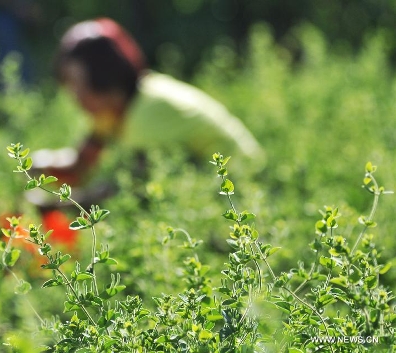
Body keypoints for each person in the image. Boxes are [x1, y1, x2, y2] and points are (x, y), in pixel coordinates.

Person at [28, 17, 265, 249]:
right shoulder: (116, 109)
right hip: (209, 191)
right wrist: (37, 165)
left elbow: (129, 192)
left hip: (243, 197)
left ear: (105, 76)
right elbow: (80, 164)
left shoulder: (149, 111)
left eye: (81, 85)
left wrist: (60, 206)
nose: (76, 97)